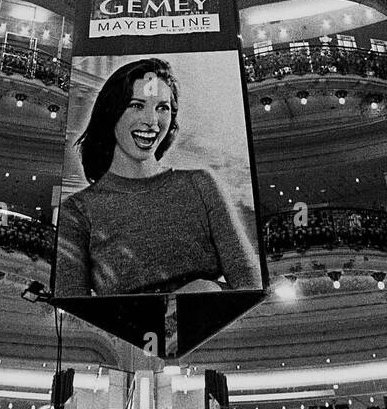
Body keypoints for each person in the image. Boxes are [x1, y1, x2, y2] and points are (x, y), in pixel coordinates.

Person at [54, 58, 260, 296]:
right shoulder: (77, 211)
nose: (151, 121)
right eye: (136, 105)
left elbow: (249, 285)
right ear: (111, 112)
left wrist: (206, 291)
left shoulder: (201, 184)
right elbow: (72, 311)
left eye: (162, 108)